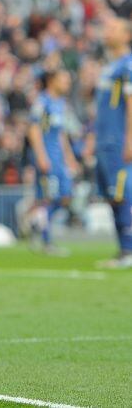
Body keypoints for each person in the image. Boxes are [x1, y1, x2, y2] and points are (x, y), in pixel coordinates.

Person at [93, 16, 132, 269]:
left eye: (113, 27)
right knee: (112, 196)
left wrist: (129, 139)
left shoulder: (127, 66)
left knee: (123, 194)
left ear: (127, 35)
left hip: (119, 141)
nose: (106, 30)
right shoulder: (109, 66)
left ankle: (128, 250)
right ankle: (122, 250)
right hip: (104, 142)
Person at [26, 70, 78, 256]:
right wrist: (41, 156)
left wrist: (70, 158)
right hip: (47, 158)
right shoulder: (43, 102)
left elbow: (61, 134)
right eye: (64, 78)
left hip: (59, 160)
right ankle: (47, 242)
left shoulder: (61, 104)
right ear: (52, 81)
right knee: (48, 198)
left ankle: (35, 222)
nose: (67, 83)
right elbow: (33, 128)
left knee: (66, 196)